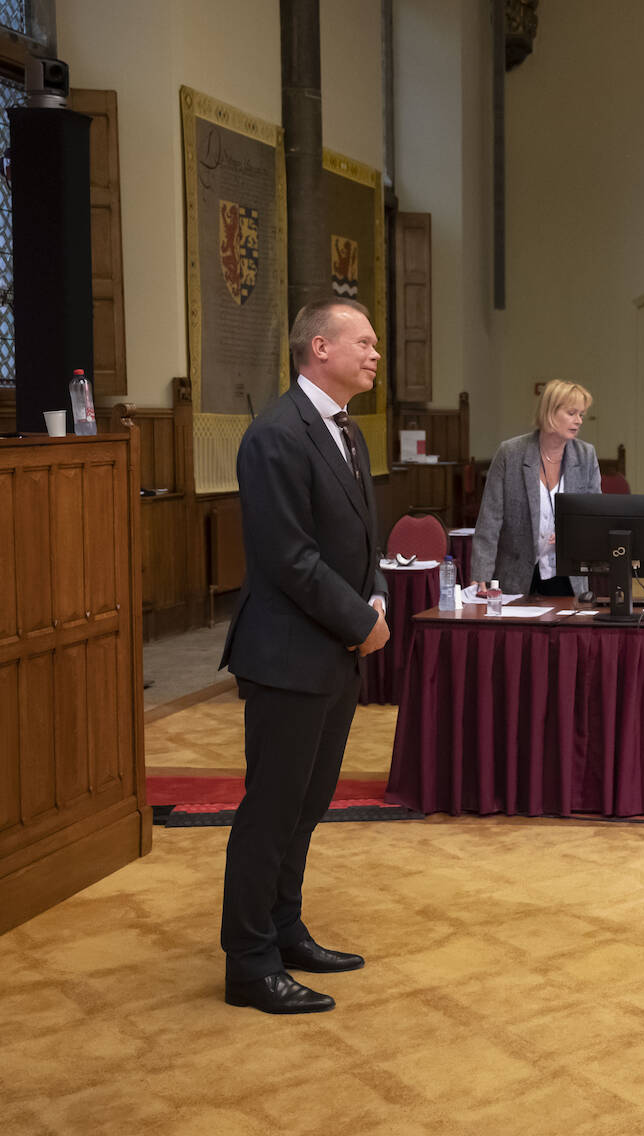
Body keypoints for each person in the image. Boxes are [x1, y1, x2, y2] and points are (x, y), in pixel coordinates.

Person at [218, 299, 390, 1015]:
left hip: (333, 652)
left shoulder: (346, 430)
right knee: (272, 810)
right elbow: (289, 557)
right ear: (320, 347)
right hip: (288, 655)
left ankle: (284, 930)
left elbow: (361, 541)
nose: (375, 353)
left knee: (308, 805)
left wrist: (375, 596)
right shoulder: (276, 435)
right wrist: (362, 623)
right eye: (364, 342)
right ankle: (249, 961)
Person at [474, 380, 602, 597]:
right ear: (550, 412)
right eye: (572, 413)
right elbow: (490, 519)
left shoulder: (586, 455)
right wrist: (481, 573)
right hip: (515, 574)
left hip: (566, 575)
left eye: (581, 414)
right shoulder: (510, 453)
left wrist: (571, 533)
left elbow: (594, 515)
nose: (579, 421)